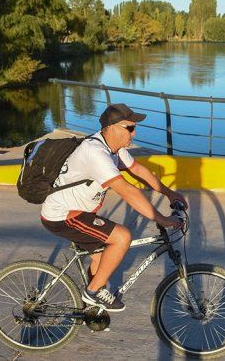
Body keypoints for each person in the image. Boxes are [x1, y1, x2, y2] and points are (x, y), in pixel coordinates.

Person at [40, 103, 186, 312]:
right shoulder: (96, 152)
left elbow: (137, 170)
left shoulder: (113, 149)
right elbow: (127, 191)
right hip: (62, 215)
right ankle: (93, 292)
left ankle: (90, 309)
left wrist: (169, 193)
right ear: (112, 127)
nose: (134, 133)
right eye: (130, 128)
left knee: (101, 258)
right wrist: (162, 220)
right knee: (121, 237)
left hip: (80, 213)